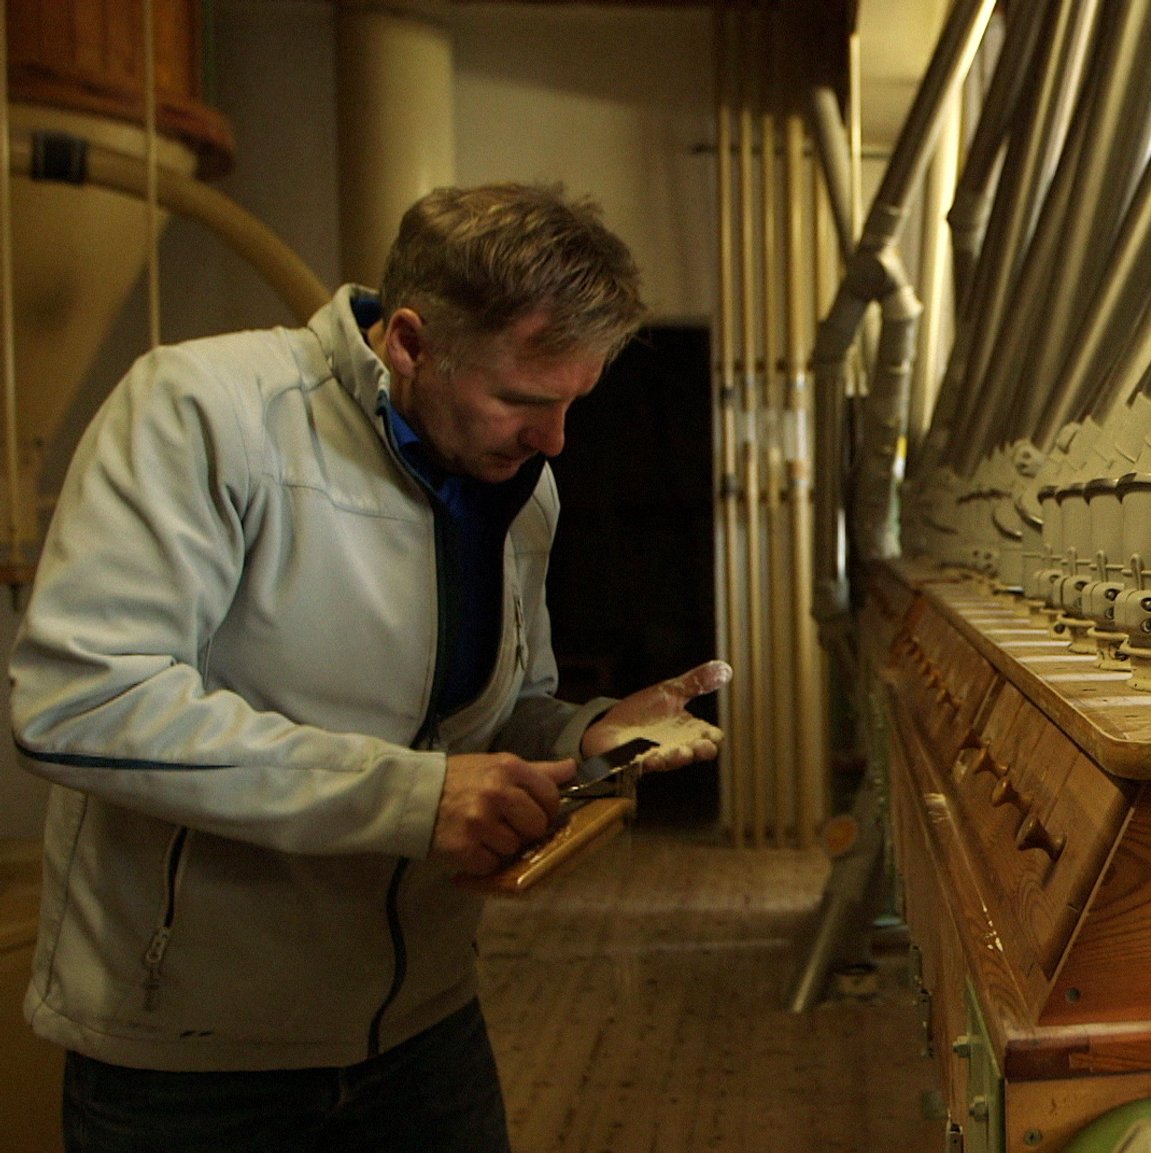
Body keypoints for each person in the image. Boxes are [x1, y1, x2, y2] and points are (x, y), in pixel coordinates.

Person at [9, 181, 728, 1152]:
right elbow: (81, 700)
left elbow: (491, 710)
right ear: (409, 343)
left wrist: (584, 732)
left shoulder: (522, 486)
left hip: (423, 1031)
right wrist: (410, 798)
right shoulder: (206, 413)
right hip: (196, 1061)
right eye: (524, 400)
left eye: (572, 404)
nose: (554, 441)